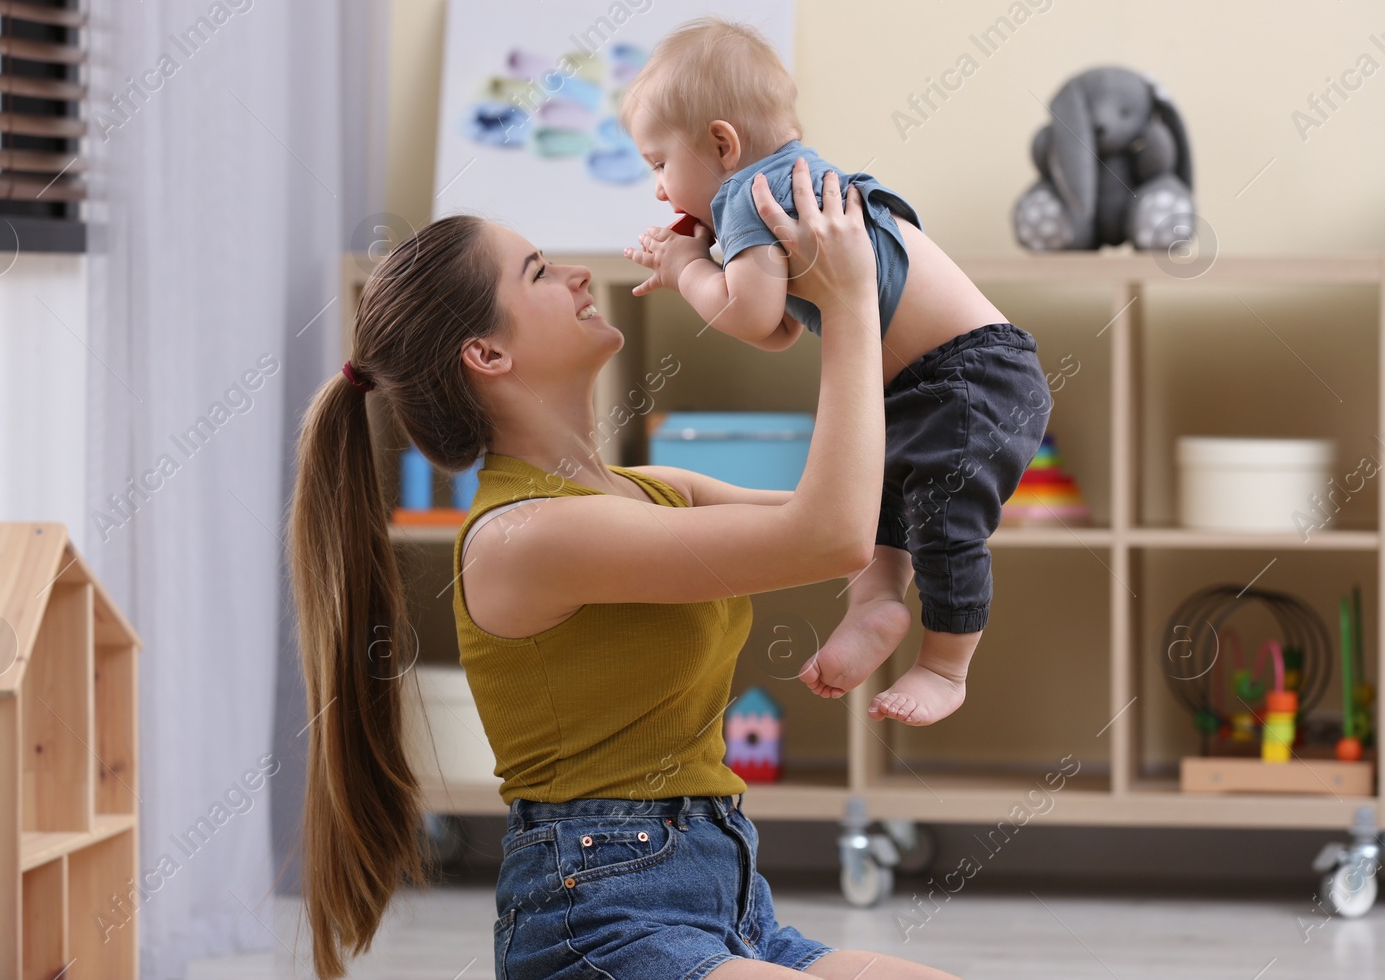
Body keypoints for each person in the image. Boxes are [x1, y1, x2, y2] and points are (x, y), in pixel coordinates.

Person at [288, 160, 959, 979]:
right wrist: (852, 306)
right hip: (594, 921)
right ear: (486, 352)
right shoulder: (522, 536)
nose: (575, 273)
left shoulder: (657, 491)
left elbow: (858, 512)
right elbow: (830, 536)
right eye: (537, 270)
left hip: (729, 904)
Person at [620, 17, 1051, 725]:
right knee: (876, 503)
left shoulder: (751, 196)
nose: (661, 190)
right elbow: (784, 327)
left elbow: (752, 316)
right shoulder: (795, 182)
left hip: (975, 373)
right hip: (920, 380)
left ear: (722, 144)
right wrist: (714, 262)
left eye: (660, 162)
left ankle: (947, 665)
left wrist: (686, 268)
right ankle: (876, 603)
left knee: (942, 522)